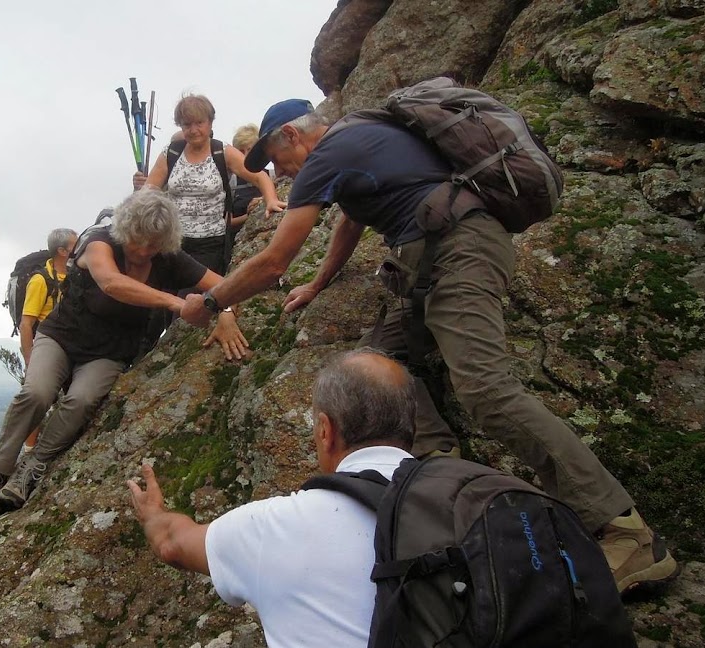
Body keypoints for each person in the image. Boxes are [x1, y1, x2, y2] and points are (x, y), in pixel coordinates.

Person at [177, 98, 679, 594]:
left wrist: (211, 300)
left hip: (461, 250)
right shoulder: (356, 143)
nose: (282, 175)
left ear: (292, 133)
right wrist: (319, 282)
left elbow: (273, 262)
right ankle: (436, 464)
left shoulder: (332, 149)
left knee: (486, 391)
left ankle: (624, 530)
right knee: (377, 368)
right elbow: (351, 221)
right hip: (432, 262)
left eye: (278, 160)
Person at [0, 190, 249, 515]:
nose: (144, 250)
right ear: (124, 230)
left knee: (80, 402)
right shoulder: (99, 242)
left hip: (110, 351)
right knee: (36, 392)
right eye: (138, 240)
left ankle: (32, 466)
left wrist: (227, 309)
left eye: (154, 244)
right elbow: (111, 283)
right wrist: (177, 302)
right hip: (62, 336)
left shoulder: (168, 257)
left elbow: (225, 284)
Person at [129, 349, 416, 647]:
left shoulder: (274, 527)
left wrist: (154, 514)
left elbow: (172, 544)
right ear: (412, 426)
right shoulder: (465, 497)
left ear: (325, 430)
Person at [132, 94, 285, 275]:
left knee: (198, 299)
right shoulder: (171, 153)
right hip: (172, 244)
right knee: (169, 300)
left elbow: (260, 177)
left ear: (210, 123)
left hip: (211, 246)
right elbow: (148, 193)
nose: (193, 130)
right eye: (187, 124)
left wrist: (271, 200)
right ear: (180, 126)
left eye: (199, 123)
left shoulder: (222, 151)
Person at [18, 228, 78, 453]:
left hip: (70, 346)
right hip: (46, 346)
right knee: (39, 401)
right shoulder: (41, 280)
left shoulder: (75, 277)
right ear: (62, 251)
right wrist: (30, 361)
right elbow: (26, 324)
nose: (79, 247)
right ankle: (29, 450)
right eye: (75, 244)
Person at [228, 124, 268, 227]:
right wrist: (251, 215)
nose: (245, 155)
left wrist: (262, 202)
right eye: (240, 151)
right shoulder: (230, 182)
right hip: (238, 239)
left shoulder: (273, 176)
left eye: (250, 149)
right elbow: (225, 223)